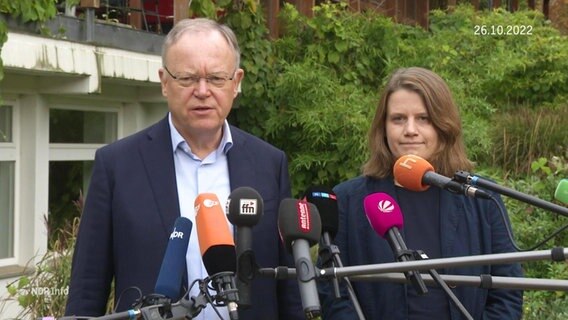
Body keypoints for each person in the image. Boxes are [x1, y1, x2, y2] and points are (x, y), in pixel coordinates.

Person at [65, 18, 303, 319]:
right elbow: (87, 288)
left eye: (217, 78)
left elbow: (289, 291)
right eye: (188, 79)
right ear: (164, 81)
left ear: (237, 81)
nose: (202, 91)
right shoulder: (117, 166)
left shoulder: (270, 163)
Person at [319, 67, 523, 319]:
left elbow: (508, 293)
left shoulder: (481, 199)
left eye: (423, 118)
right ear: (383, 128)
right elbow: (334, 294)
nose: (410, 130)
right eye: (398, 119)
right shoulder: (348, 201)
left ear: (443, 126)